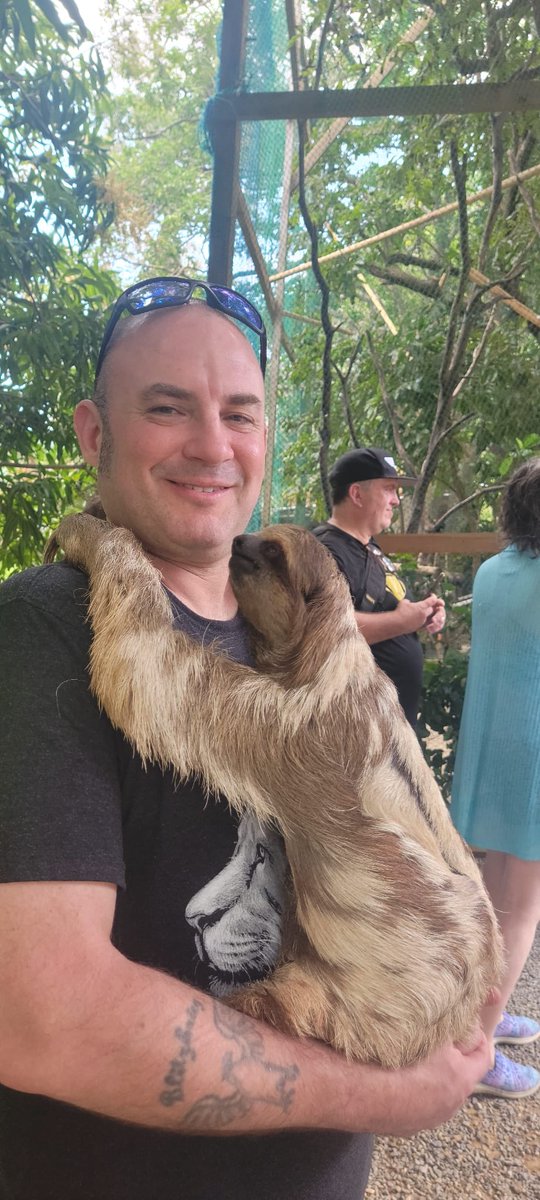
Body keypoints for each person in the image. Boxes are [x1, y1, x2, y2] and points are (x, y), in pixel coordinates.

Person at [0, 277, 492, 1200]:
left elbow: (162, 684)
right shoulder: (41, 632)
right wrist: (391, 1093)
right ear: (94, 434)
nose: (213, 446)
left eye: (240, 413)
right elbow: (45, 1017)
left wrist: (102, 545)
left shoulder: (305, 674)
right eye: (167, 407)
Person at [451, 458, 540, 1101]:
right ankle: (476, 1050)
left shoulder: (490, 572)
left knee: (488, 890)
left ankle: (475, 1011)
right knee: (524, 900)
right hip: (533, 756)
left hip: (492, 749)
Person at [313, 447, 446, 726]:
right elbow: (324, 630)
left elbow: (387, 610)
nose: (396, 501)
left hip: (389, 725)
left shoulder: (369, 545)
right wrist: (401, 622)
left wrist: (422, 614)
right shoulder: (326, 550)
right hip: (357, 729)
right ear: (357, 494)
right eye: (389, 489)